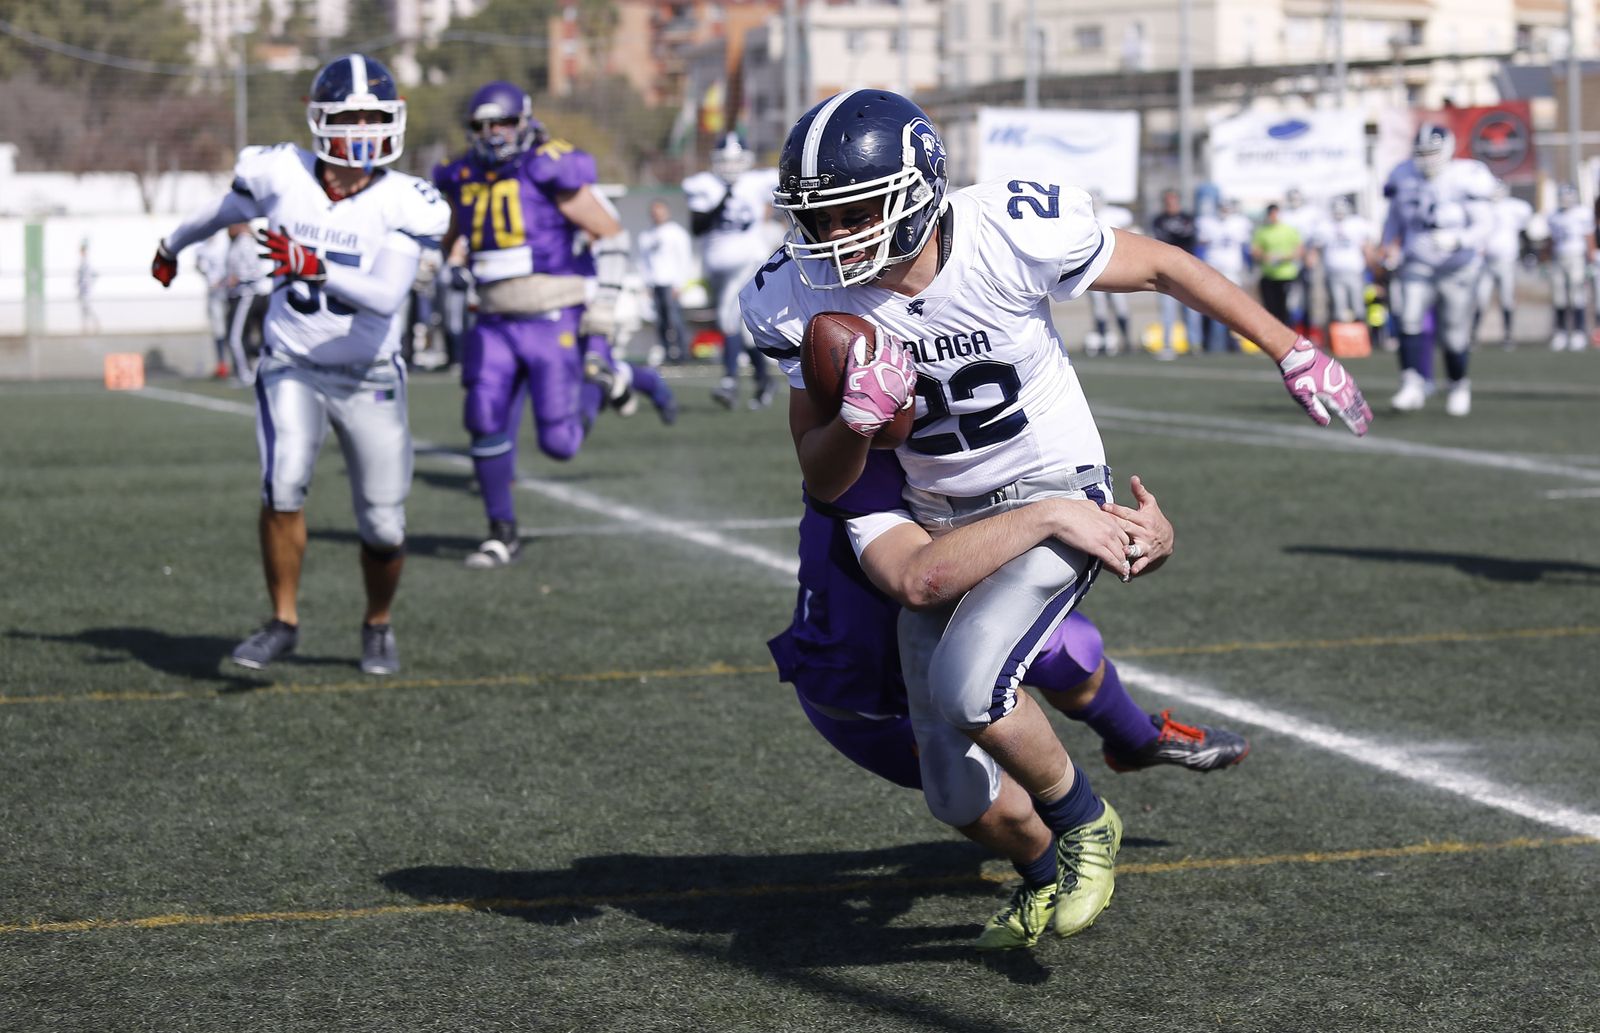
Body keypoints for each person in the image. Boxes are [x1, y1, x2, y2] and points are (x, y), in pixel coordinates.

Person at [740, 89, 1371, 951]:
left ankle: (1087, 822)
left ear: (918, 189)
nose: (832, 236)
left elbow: (1163, 266)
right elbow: (819, 472)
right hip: (934, 513)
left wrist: (1291, 348)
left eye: (854, 210)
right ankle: (1064, 825)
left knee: (972, 686)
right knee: (953, 789)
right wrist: (852, 420)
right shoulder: (796, 293)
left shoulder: (1008, 227)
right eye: (817, 215)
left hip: (1050, 482)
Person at [770, 448, 1248, 949]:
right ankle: (1043, 874)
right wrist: (1049, 513)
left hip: (952, 604)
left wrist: (1144, 537)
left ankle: (1134, 739)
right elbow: (918, 579)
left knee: (1070, 650)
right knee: (980, 803)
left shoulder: (960, 429)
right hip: (863, 676)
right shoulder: (855, 454)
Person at [150, 53, 451, 675]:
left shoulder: (408, 201)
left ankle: (377, 623)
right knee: (283, 484)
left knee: (385, 524)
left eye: (375, 116)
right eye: (352, 116)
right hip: (293, 361)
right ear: (321, 120)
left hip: (370, 374)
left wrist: (313, 264)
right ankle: (282, 619)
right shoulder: (280, 173)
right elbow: (220, 213)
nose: (365, 129)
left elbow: (386, 295)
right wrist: (170, 245)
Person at [433, 80, 675, 570]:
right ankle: (501, 531)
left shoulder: (548, 167)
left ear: (524, 121)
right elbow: (451, 240)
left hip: (552, 318)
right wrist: (444, 264)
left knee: (560, 444)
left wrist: (602, 311)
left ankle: (611, 382)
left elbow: (610, 237)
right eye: (481, 126)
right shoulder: (462, 175)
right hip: (494, 320)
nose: (493, 134)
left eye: (501, 122)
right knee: (481, 419)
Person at [1381, 122, 1497, 415]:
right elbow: (1394, 217)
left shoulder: (1467, 175)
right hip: (1417, 262)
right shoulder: (1402, 174)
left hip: (1458, 267)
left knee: (1454, 333)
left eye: (1433, 151)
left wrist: (1460, 240)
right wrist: (1387, 244)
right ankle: (1411, 382)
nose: (1428, 158)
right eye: (1422, 151)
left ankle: (1458, 384)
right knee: (1408, 320)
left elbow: (1485, 224)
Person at [684, 132, 779, 409]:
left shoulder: (756, 182)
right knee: (745, 331)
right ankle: (764, 381)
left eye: (736, 160)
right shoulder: (704, 185)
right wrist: (722, 200)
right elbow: (698, 226)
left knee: (727, 317)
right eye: (725, 160)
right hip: (718, 270)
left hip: (750, 261)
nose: (730, 166)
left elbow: (788, 177)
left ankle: (729, 380)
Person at [637, 199, 695, 365]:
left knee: (675, 319)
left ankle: (683, 351)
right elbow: (644, 262)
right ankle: (667, 350)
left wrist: (680, 283)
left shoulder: (676, 233)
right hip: (655, 284)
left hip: (671, 283)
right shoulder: (646, 235)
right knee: (660, 321)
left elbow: (684, 259)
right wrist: (646, 283)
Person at [1475, 179, 1532, 348]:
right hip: (1486, 262)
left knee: (1507, 299)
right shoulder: (1482, 208)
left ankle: (1508, 335)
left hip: (1506, 261)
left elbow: (1523, 231)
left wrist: (1528, 252)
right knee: (1481, 298)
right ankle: (1473, 335)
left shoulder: (1514, 207)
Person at [1195, 197, 1254, 351]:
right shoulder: (1207, 223)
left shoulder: (1240, 223)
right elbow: (1200, 247)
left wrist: (1249, 268)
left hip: (1232, 271)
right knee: (1214, 309)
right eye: (1222, 207)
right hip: (1212, 270)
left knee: (1235, 309)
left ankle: (1234, 342)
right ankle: (1214, 344)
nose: (1224, 211)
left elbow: (1246, 249)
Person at [1150, 189, 1201, 358]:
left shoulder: (1188, 218)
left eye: (1173, 200)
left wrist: (1177, 236)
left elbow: (1189, 237)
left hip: (1187, 269)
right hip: (1165, 270)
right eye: (1168, 200)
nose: (1170, 203)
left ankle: (1195, 344)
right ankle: (1167, 344)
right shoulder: (1159, 220)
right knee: (1167, 310)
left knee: (1192, 309)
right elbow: (1163, 238)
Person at [1544, 183, 1594, 353]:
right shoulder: (1553, 215)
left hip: (1577, 257)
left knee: (1576, 295)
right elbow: (1551, 240)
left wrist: (1591, 259)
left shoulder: (1583, 213)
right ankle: (1561, 332)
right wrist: (1547, 260)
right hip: (1559, 257)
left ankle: (1579, 332)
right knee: (1559, 296)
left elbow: (1589, 236)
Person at [1084, 190, 1135, 355]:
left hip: (1114, 266)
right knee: (1099, 308)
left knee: (1120, 305)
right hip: (1092, 269)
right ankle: (1102, 340)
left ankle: (1127, 340)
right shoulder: (1082, 216)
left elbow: (1129, 231)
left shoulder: (1114, 214)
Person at [1312, 197, 1376, 327]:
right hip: (1334, 273)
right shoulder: (1325, 225)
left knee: (1357, 304)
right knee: (1338, 306)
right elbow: (1316, 248)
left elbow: (1367, 246)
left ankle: (1360, 335)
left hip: (1355, 271)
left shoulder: (1357, 223)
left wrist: (1372, 263)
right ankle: (1340, 340)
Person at [223, 221, 272, 384]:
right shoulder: (239, 242)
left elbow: (254, 269)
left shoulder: (245, 243)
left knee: (235, 336)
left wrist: (238, 279)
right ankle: (248, 371)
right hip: (240, 293)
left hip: (247, 294)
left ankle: (245, 373)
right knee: (242, 336)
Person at [1280, 187, 1326, 335]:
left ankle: (1310, 331)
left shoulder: (1311, 213)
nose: (1295, 202)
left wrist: (1311, 252)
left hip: (1307, 258)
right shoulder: (1283, 215)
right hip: (1289, 260)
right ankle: (1293, 330)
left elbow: (1317, 237)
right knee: (1291, 298)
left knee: (1311, 298)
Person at [1252, 203, 1303, 328]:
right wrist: (1266, 257)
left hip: (1287, 275)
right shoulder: (1262, 231)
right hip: (1269, 275)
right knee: (1271, 310)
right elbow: (1255, 251)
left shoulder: (1289, 230)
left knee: (1287, 308)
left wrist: (1283, 257)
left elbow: (1299, 250)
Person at [195, 229, 234, 378]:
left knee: (233, 328)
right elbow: (200, 266)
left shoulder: (224, 245)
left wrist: (223, 281)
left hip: (229, 292)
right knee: (219, 330)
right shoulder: (201, 248)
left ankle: (238, 363)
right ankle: (222, 363)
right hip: (214, 293)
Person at [76, 240, 99, 336]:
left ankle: (93, 324)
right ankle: (85, 327)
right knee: (83, 309)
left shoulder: (86, 262)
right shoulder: (83, 262)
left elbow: (92, 275)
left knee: (86, 308)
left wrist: (88, 284)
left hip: (85, 290)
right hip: (83, 290)